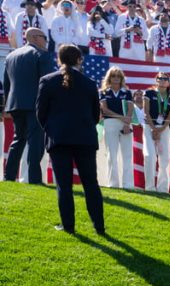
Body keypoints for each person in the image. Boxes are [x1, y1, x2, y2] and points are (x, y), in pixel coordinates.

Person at [37, 45, 102, 235]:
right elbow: (95, 115)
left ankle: (68, 226)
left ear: (59, 59)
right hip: (85, 139)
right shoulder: (89, 83)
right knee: (91, 183)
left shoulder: (47, 81)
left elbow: (41, 113)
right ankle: (99, 226)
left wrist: (52, 130)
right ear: (79, 60)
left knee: (64, 185)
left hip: (59, 138)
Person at [3, 28, 51, 184]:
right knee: (35, 142)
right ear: (35, 38)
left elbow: (7, 84)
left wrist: (6, 106)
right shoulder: (41, 55)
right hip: (34, 104)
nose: (46, 41)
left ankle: (9, 176)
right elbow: (47, 83)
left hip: (15, 104)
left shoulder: (11, 56)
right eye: (44, 37)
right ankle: (34, 179)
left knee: (18, 140)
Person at [99, 66, 134, 190]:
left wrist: (126, 123)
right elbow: (104, 109)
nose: (116, 78)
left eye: (118, 76)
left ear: (121, 78)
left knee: (127, 155)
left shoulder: (127, 92)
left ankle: (128, 184)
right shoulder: (104, 92)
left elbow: (130, 109)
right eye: (113, 76)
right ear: (109, 78)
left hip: (125, 124)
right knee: (111, 154)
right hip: (110, 124)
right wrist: (121, 117)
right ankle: (113, 183)